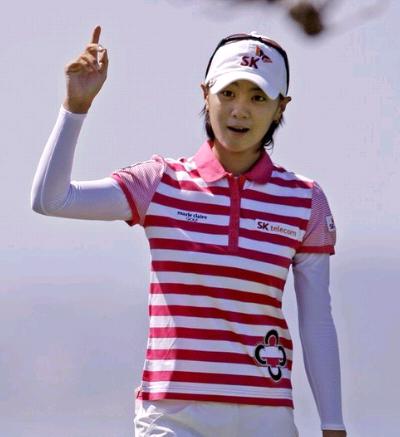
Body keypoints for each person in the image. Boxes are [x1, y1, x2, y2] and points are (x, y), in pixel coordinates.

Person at [31, 26, 347, 437]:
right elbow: (52, 200)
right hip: (172, 415)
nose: (240, 110)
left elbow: (316, 320)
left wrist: (333, 424)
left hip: (265, 414)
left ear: (280, 107)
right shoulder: (160, 182)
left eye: (258, 97)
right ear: (205, 94)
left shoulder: (305, 200)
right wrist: (75, 108)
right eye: (228, 93)